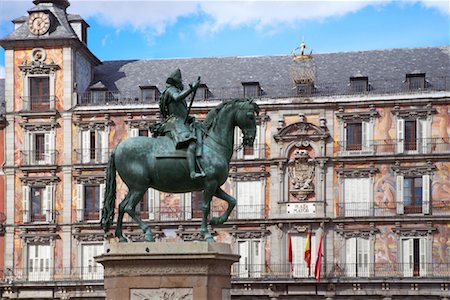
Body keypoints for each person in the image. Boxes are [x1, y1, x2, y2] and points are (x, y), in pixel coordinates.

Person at [159, 68, 205, 179]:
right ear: (176, 82)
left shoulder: (175, 90)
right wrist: (191, 89)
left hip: (182, 121)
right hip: (175, 122)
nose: (182, 82)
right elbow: (177, 97)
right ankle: (192, 172)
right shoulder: (170, 90)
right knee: (191, 143)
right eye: (180, 80)